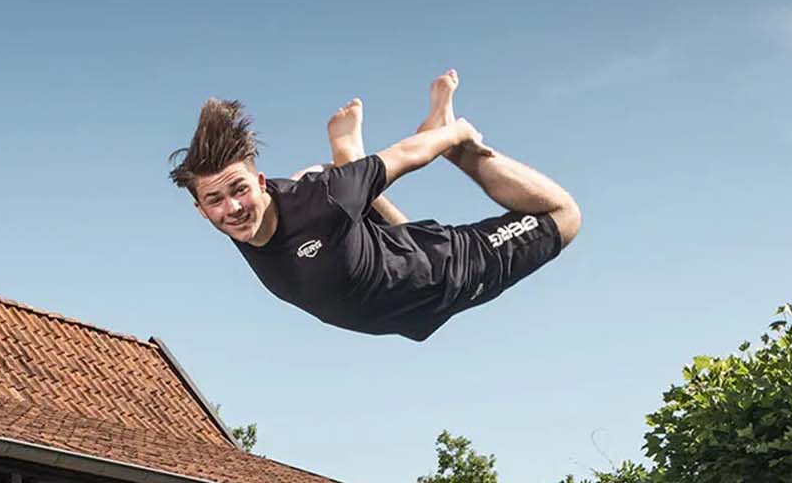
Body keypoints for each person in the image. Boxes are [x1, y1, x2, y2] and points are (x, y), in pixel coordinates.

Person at [168, 71, 580, 342]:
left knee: (565, 215)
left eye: (239, 190)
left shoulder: (325, 198)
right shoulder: (260, 206)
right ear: (201, 211)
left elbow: (405, 155)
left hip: (439, 276)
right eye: (215, 201)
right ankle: (349, 154)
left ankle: (451, 144)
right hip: (377, 275)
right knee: (333, 195)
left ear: (260, 184)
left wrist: (456, 136)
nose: (234, 208)